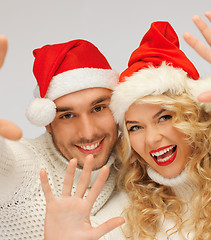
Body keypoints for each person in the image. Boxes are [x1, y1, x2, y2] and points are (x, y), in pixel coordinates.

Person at [41, 6, 211, 240]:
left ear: (195, 117)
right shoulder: (124, 216)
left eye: (165, 117)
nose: (152, 139)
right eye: (135, 127)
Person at [0, 39, 124, 239]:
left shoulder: (132, 168)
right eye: (67, 115)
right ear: (47, 123)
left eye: (98, 108)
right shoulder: (28, 170)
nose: (88, 132)